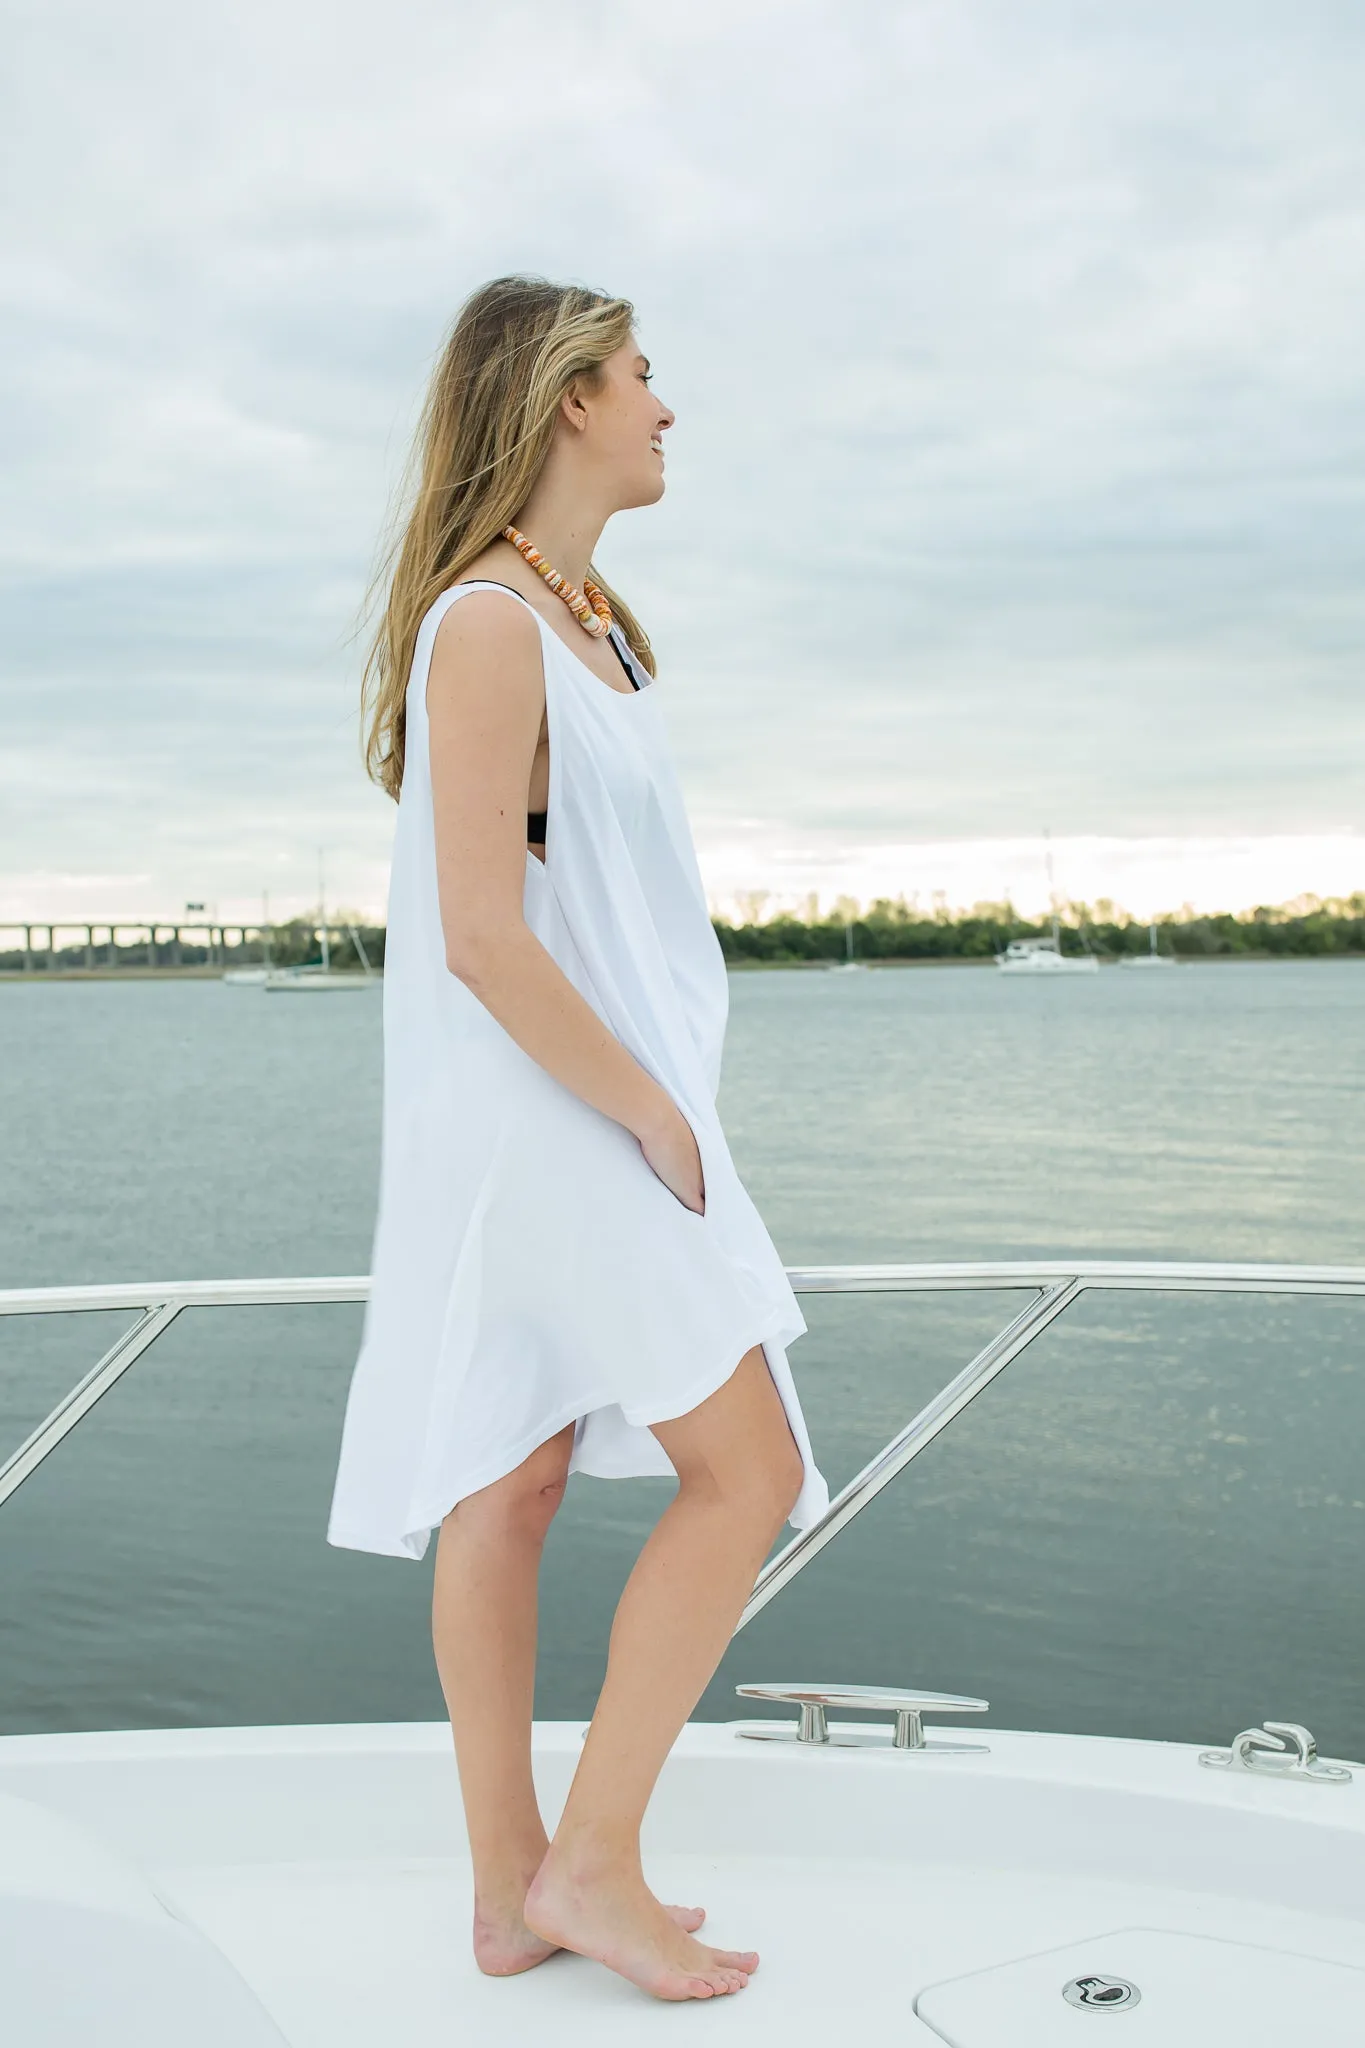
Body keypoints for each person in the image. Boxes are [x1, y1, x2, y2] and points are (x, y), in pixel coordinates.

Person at [327, 275, 829, 2003]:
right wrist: (651, 1119)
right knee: (744, 1471)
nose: (666, 408)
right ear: (561, 403)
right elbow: (482, 931)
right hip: (561, 1121)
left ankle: (505, 1896)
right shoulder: (490, 626)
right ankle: (590, 1864)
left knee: (515, 1471)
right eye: (639, 377)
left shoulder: (585, 620)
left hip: (590, 1109)